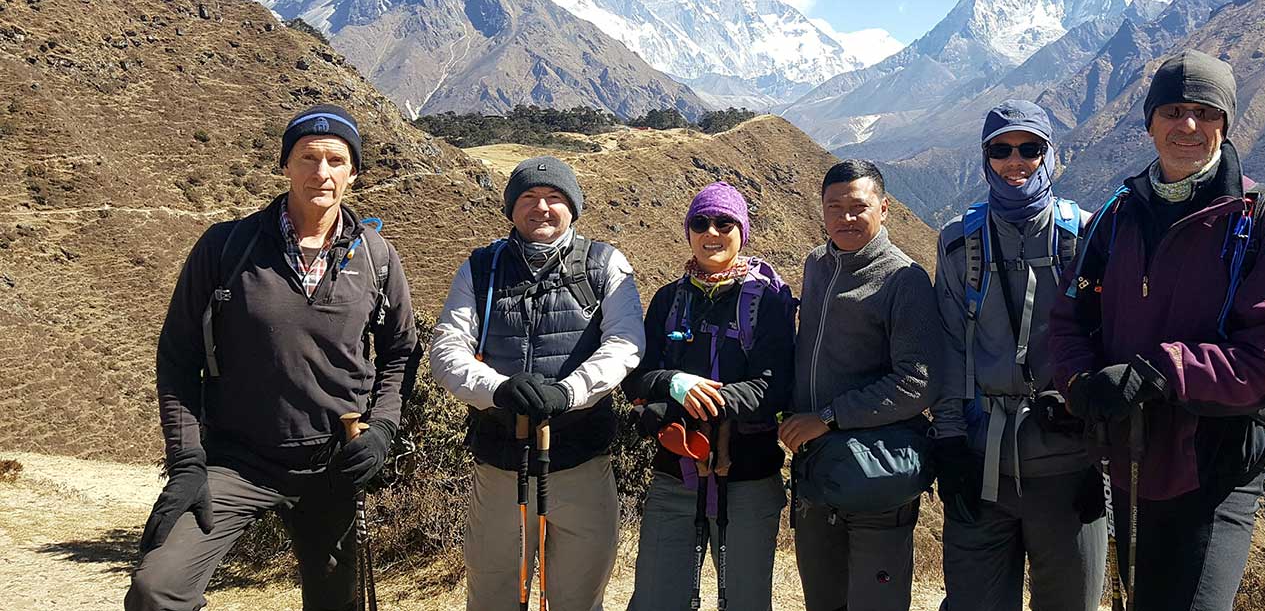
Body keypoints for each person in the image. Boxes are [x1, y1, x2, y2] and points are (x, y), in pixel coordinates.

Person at [1049, 50, 1265, 610]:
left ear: (1226, 122)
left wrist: (1162, 372)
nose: (1188, 126)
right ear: (1150, 123)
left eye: (1205, 111)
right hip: (1130, 459)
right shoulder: (1116, 217)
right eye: (1172, 110)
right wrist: (1081, 383)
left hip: (1216, 467)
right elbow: (1070, 318)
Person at [127, 104, 420, 611]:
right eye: (307, 157)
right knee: (157, 590)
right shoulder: (227, 247)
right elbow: (177, 356)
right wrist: (187, 462)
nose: (320, 173)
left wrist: (382, 431)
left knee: (336, 603)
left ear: (353, 172)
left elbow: (401, 352)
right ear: (285, 165)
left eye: (335, 159)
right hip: (238, 462)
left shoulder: (376, 257)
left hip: (334, 464)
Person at [431, 156, 644, 611]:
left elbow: (625, 345)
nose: (542, 207)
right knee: (492, 597)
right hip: (500, 466)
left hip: (581, 462)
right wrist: (498, 389)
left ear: (573, 207)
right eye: (528, 197)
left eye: (555, 198)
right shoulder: (480, 269)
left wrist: (570, 391)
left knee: (578, 598)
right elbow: (447, 351)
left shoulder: (605, 264)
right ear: (511, 208)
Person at [931, 100, 1106, 611]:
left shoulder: (1086, 237)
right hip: (981, 462)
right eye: (1001, 150)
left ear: (1052, 155)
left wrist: (1101, 453)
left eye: (1030, 148)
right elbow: (948, 345)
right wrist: (949, 443)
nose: (1015, 162)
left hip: (1069, 462)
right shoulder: (957, 244)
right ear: (985, 159)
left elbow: (1108, 343)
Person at [624, 182, 797, 611]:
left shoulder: (769, 299)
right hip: (674, 474)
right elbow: (637, 377)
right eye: (700, 222)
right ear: (688, 231)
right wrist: (675, 382)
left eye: (725, 222)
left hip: (747, 478)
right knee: (654, 600)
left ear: (743, 230)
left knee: (744, 600)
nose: (712, 231)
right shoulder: (669, 299)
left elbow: (771, 387)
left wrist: (699, 400)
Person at [780, 159, 936, 611]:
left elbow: (917, 382)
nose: (846, 218)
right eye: (835, 207)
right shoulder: (816, 264)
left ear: (884, 209)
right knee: (823, 600)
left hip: (875, 474)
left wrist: (827, 418)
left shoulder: (904, 279)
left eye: (858, 207)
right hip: (815, 473)